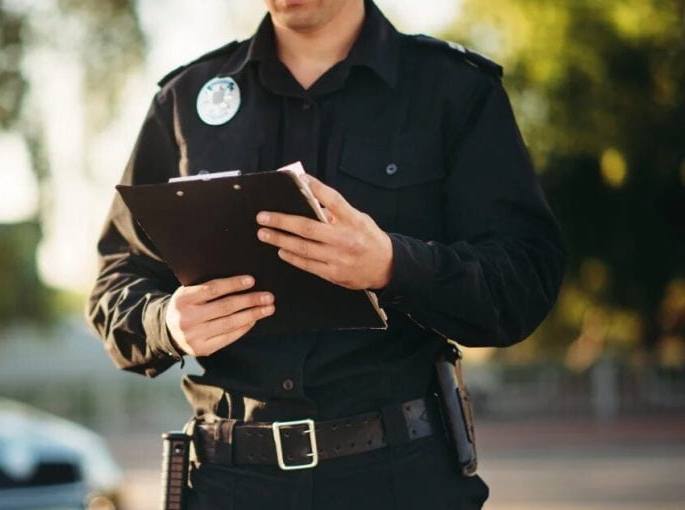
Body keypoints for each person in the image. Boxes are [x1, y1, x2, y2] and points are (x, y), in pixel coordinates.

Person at [85, 0, 567, 508]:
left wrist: (391, 265)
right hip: (228, 484)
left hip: (398, 479)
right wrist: (168, 322)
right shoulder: (184, 100)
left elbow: (523, 280)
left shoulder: (453, 89)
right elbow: (116, 281)